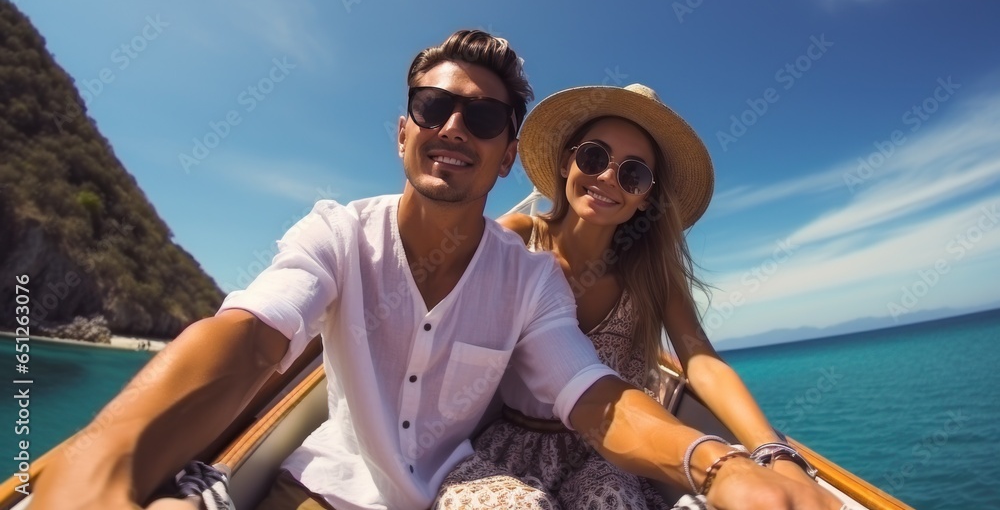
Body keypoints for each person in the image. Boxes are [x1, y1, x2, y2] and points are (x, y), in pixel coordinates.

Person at [31, 31, 840, 510]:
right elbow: (246, 340)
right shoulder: (338, 234)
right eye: (433, 108)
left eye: (483, 119)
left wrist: (729, 459)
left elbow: (597, 398)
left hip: (472, 474)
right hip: (337, 483)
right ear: (402, 131)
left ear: (502, 158)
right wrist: (112, 447)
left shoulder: (526, 280)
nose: (454, 127)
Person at [436, 84, 839, 509]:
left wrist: (776, 454)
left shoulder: (650, 275)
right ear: (566, 162)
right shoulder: (518, 236)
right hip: (509, 443)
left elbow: (701, 361)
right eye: (593, 156)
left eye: (634, 174)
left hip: (610, 451)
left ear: (646, 198)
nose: (608, 177)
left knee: (610, 500)